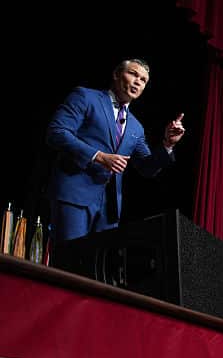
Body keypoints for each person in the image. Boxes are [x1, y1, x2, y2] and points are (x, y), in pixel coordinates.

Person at [46, 59, 185, 242]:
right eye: (133, 74)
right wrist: (98, 156)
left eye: (143, 80)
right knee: (68, 263)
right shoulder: (86, 97)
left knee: (95, 269)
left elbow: (147, 167)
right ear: (117, 74)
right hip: (75, 195)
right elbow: (57, 132)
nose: (137, 81)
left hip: (109, 210)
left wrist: (167, 144)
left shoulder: (136, 127)